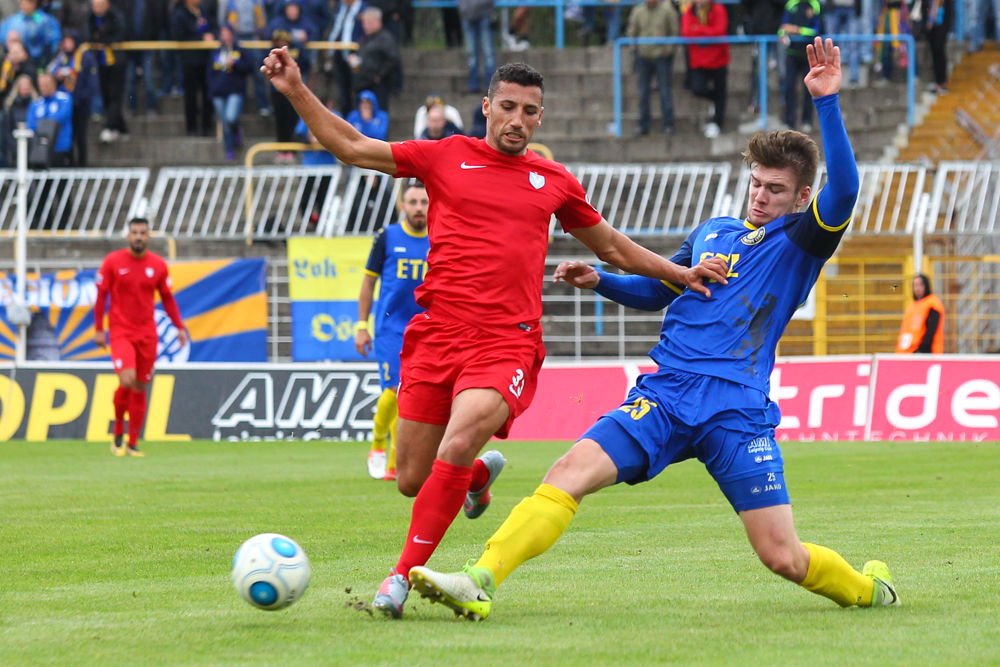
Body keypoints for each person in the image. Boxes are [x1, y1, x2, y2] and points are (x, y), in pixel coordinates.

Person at [408, 38, 902, 622]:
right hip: (664, 396)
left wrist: (827, 103)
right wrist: (603, 282)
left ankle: (871, 590)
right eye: (756, 182)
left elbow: (844, 189)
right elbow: (663, 291)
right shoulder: (714, 231)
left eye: (775, 189)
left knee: (782, 557)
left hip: (734, 410)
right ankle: (478, 579)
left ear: (801, 198)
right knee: (569, 472)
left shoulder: (800, 242)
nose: (760, 196)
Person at [260, 51, 729, 619]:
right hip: (437, 336)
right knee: (411, 479)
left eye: (530, 112)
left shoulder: (553, 181)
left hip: (506, 340)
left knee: (456, 443)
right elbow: (353, 147)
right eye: (507, 106)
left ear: (539, 117)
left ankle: (399, 577)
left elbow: (611, 247)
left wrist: (679, 273)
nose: (517, 120)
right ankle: (475, 478)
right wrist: (295, 90)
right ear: (485, 107)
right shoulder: (446, 156)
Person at [94, 218, 188, 458]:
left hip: (147, 334)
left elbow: (167, 298)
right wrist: (98, 328)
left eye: (142, 233)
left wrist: (179, 326)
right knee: (127, 379)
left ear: (149, 237)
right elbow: (101, 296)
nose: (138, 236)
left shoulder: (157, 265)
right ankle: (117, 431)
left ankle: (133, 443)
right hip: (121, 331)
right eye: (134, 232)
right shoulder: (113, 262)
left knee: (141, 386)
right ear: (127, 236)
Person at [356, 181, 430, 482]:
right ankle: (377, 447)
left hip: (426, 328)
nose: (418, 208)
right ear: (403, 205)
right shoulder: (387, 237)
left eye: (424, 202)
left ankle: (395, 465)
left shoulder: (441, 237)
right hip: (390, 327)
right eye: (413, 202)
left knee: (411, 396)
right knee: (393, 389)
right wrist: (362, 326)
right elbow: (368, 282)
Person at [267, 0, 318, 161]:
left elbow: (306, 60)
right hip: (278, 87)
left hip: (295, 85)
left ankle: (292, 150)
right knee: (280, 116)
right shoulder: (277, 26)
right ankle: (282, 149)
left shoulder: (298, 48)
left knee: (293, 116)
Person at [627, 0, 679, 136]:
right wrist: (634, 50)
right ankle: (643, 124)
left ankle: (668, 123)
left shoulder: (667, 11)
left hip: (661, 56)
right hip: (643, 56)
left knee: (664, 90)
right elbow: (632, 32)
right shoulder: (638, 11)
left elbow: (674, 32)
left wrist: (668, 50)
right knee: (643, 92)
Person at [47, 30, 98, 166]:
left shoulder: (85, 58)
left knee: (80, 135)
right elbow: (51, 74)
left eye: (70, 41)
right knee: (67, 136)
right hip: (64, 104)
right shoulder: (60, 58)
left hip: (80, 104)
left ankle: (82, 164)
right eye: (66, 41)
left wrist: (82, 99)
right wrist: (57, 77)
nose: (68, 44)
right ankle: (69, 163)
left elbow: (91, 83)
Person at [681, 0, 728, 138]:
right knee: (698, 88)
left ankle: (717, 123)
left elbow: (720, 30)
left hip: (719, 58)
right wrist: (707, 33)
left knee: (720, 91)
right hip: (699, 60)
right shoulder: (690, 11)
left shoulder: (718, 9)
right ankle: (715, 102)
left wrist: (699, 30)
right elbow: (687, 32)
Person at [172, 0, 216, 137]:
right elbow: (179, 35)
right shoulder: (180, 14)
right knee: (191, 96)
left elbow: (214, 25)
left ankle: (207, 126)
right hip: (190, 61)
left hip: (205, 60)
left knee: (207, 95)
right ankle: (192, 128)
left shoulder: (204, 10)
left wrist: (211, 35)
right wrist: (201, 37)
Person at [208, 24, 252, 160]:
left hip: (235, 90)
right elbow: (209, 73)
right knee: (224, 123)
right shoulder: (215, 52)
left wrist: (236, 64)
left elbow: (249, 67)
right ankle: (229, 149)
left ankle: (236, 131)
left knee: (231, 117)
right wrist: (212, 89)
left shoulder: (240, 51)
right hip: (218, 92)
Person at [86, 0, 128, 143]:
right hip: (100, 61)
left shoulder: (115, 16)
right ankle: (121, 128)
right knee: (105, 95)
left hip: (116, 61)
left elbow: (119, 35)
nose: (96, 8)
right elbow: (89, 36)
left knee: (114, 95)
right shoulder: (91, 17)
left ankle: (109, 127)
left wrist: (103, 39)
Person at [221, 0, 272, 116]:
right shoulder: (227, 1)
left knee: (258, 72)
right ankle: (236, 105)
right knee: (233, 69)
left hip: (253, 38)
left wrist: (260, 34)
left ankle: (263, 104)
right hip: (235, 38)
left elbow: (263, 20)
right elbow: (222, 20)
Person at [781, 0, 821, 130]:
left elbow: (816, 30)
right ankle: (789, 121)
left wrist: (799, 30)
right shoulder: (791, 4)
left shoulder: (815, 5)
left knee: (809, 89)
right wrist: (782, 34)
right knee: (789, 87)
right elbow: (783, 27)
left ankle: (807, 121)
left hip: (809, 56)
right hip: (792, 54)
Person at [351, 7, 399, 113]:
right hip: (363, 82)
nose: (366, 25)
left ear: (379, 22)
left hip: (378, 85)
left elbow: (393, 59)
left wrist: (379, 76)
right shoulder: (364, 38)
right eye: (365, 22)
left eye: (370, 22)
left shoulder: (386, 38)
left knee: (378, 111)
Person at [327, 0, 367, 114]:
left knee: (354, 89)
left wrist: (359, 54)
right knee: (342, 89)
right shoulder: (341, 8)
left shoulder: (363, 8)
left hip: (355, 53)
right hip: (339, 52)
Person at [27, 72, 72, 166]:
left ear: (54, 84)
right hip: (40, 149)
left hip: (60, 147)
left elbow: (59, 119)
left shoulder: (64, 99)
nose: (43, 88)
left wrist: (42, 124)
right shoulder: (36, 103)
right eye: (41, 85)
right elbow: (31, 124)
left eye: (46, 85)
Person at [0, 0, 61, 66]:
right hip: (13, 59)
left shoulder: (44, 21)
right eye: (21, 2)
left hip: (36, 62)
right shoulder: (12, 21)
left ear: (34, 4)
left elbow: (53, 42)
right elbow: (3, 37)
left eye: (26, 3)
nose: (23, 5)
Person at [896, 274, 944, 354]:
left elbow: (931, 331)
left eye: (920, 285)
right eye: (914, 285)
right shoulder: (913, 306)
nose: (917, 288)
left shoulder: (933, 305)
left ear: (926, 285)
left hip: (924, 353)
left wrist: (920, 350)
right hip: (907, 352)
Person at [457, 0, 494, 93]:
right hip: (467, 15)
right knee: (471, 52)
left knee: (488, 52)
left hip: (485, 13)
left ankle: (490, 84)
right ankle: (473, 84)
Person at [824, 0, 861, 87]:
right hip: (833, 8)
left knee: (853, 44)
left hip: (852, 8)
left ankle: (854, 78)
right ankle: (827, 77)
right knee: (830, 44)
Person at [921, 0, 950, 95]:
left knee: (939, 53)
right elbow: (924, 10)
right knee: (934, 54)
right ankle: (937, 82)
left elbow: (949, 13)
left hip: (941, 28)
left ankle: (942, 83)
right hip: (931, 28)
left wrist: (945, 28)